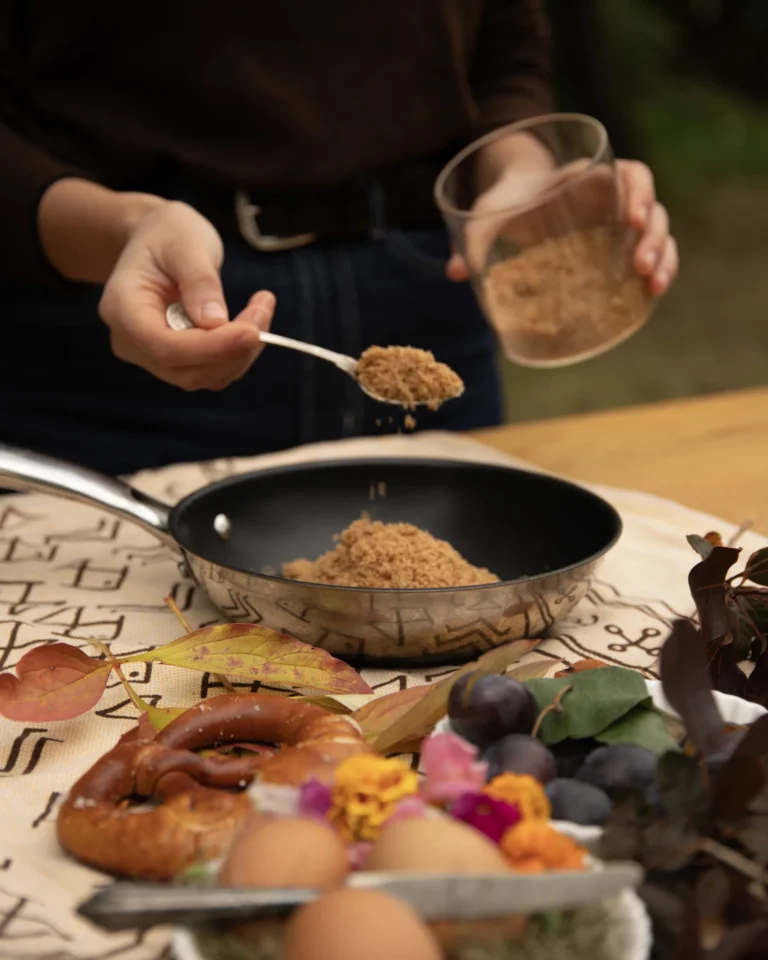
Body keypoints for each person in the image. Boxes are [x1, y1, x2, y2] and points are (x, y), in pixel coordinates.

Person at [0, 1, 677, 475]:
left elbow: (501, 42)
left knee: (474, 657)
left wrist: (521, 172)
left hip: (423, 278)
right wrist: (118, 229)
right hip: (113, 331)